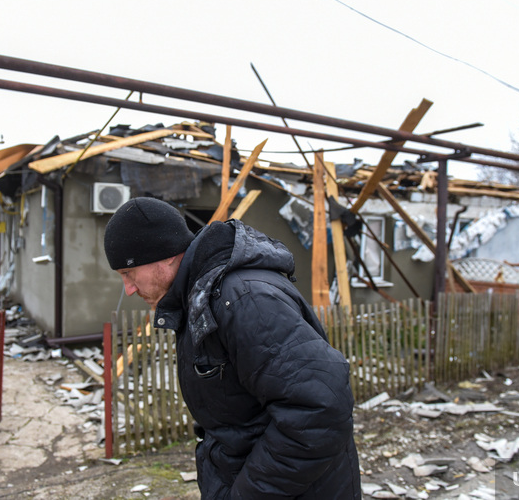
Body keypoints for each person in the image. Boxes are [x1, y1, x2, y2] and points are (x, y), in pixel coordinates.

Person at [104, 196, 361, 499]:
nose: (129, 289)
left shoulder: (244, 299)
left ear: (163, 256)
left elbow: (319, 409)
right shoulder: (200, 298)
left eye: (128, 274)